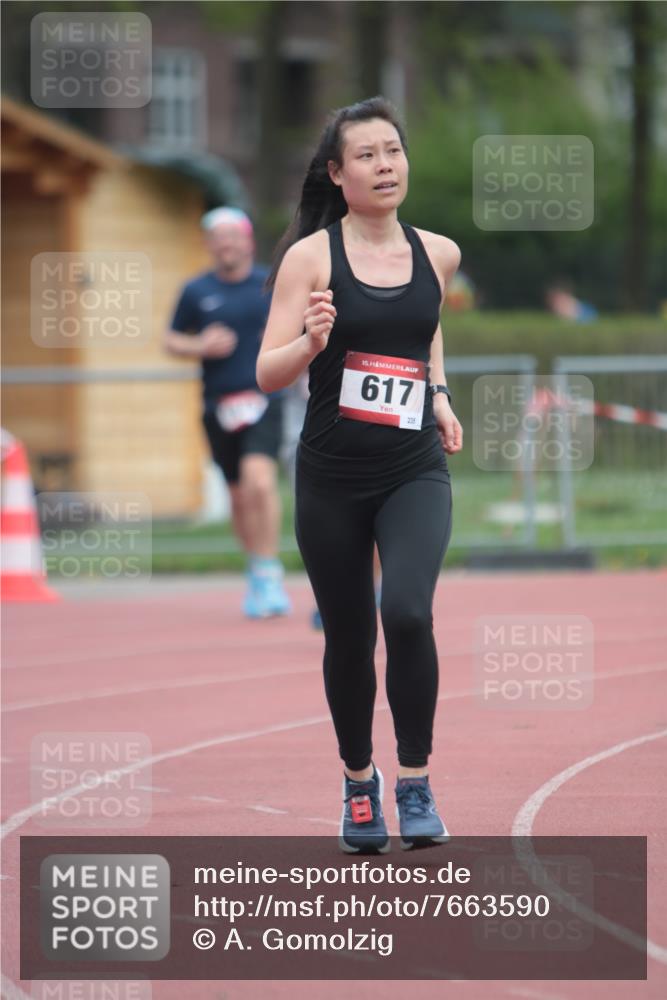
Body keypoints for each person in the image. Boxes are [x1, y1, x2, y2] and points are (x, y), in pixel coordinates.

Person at [257, 97, 463, 853]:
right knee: (349, 635)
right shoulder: (311, 258)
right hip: (332, 476)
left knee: (407, 612)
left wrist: (436, 395)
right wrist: (311, 343)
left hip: (412, 467)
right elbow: (266, 371)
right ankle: (357, 784)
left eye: (393, 151)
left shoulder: (438, 252)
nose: (385, 165)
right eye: (367, 156)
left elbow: (425, 327)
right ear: (337, 174)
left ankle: (414, 780)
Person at [164, 206, 291, 619]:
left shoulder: (268, 285)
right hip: (218, 403)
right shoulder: (196, 290)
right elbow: (171, 340)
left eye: (233, 236)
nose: (227, 244)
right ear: (209, 245)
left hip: (265, 398)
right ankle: (256, 567)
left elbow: (297, 328)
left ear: (248, 240)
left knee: (260, 481)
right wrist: (198, 346)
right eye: (218, 238)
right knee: (238, 495)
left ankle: (271, 571)